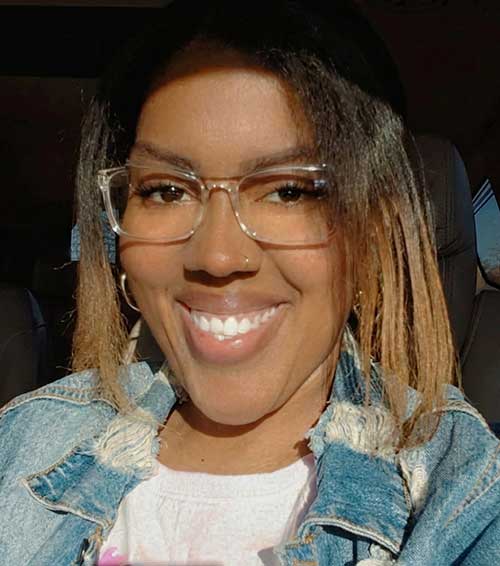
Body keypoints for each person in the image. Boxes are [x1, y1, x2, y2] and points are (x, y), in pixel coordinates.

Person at [1, 1, 499, 565]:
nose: (218, 256)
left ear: (373, 232)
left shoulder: (465, 497)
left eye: (290, 191)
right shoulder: (23, 445)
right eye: (166, 190)